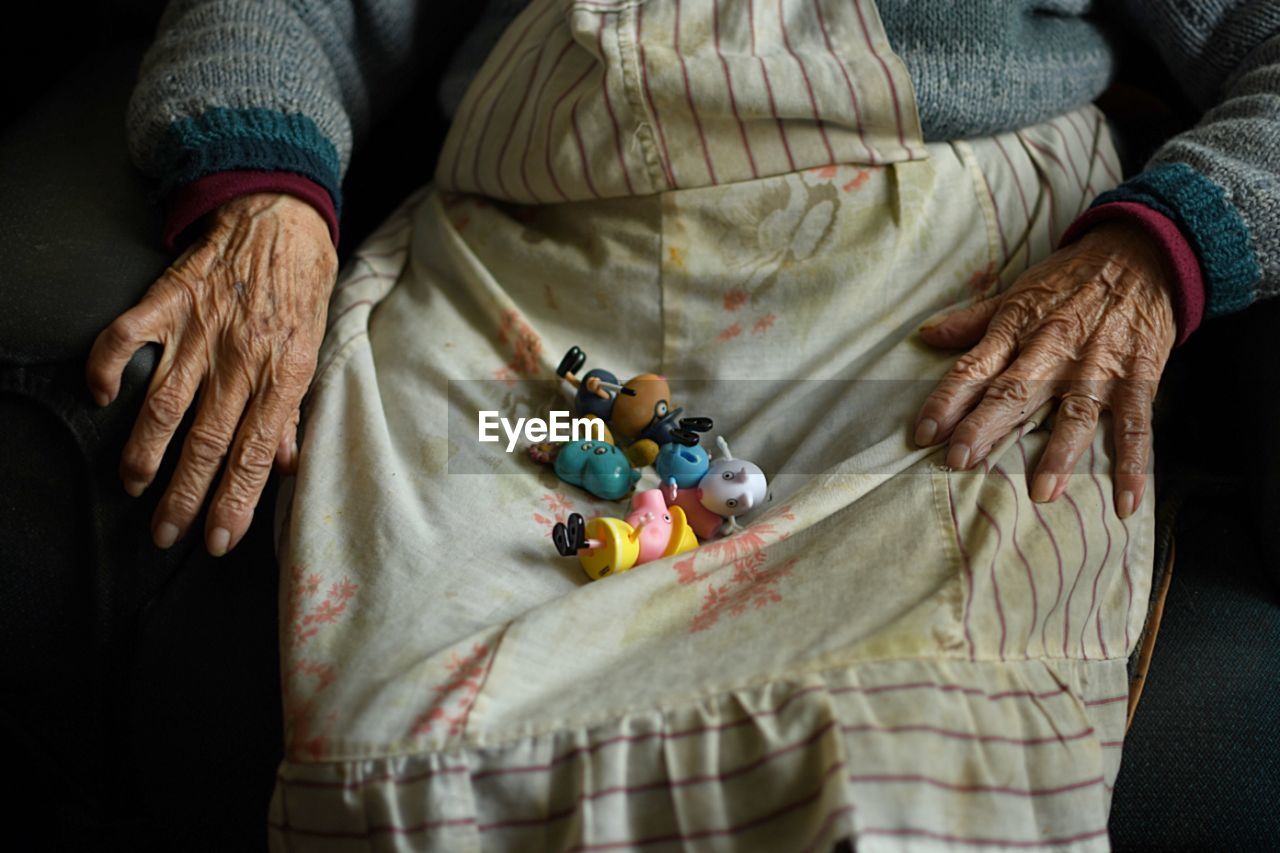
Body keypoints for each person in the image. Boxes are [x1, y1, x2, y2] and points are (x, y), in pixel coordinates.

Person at [100, 0, 1278, 846]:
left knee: (893, 748)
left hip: (932, 300)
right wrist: (265, 196)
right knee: (405, 755)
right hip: (528, 306)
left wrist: (1156, 251)